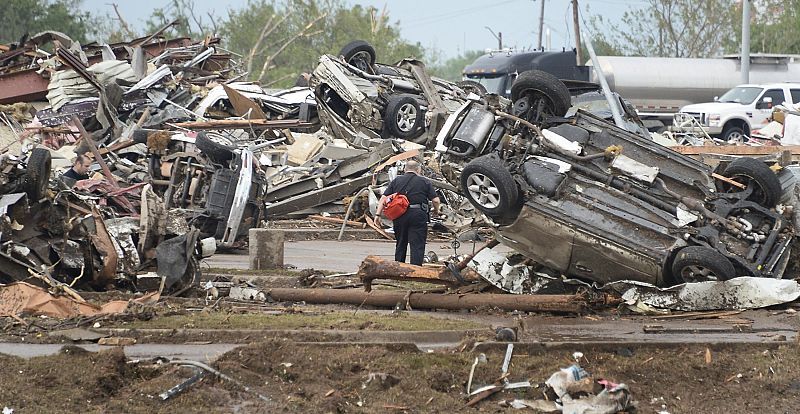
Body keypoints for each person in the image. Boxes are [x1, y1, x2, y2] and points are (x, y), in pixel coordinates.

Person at [375, 160, 441, 266]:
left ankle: (398, 267)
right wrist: (436, 211)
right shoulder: (424, 181)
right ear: (418, 169)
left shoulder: (396, 180)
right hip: (418, 215)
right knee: (417, 244)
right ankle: (415, 269)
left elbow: (384, 198)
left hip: (399, 215)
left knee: (401, 242)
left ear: (405, 169)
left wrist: (377, 215)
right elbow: (436, 200)